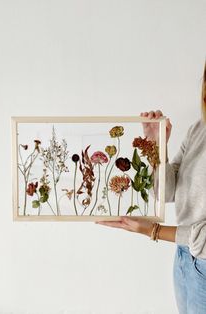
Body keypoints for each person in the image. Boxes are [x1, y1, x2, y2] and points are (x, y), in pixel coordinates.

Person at [95, 62, 206, 314]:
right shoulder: (199, 129)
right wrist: (157, 147)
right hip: (184, 259)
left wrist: (154, 230)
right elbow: (166, 193)